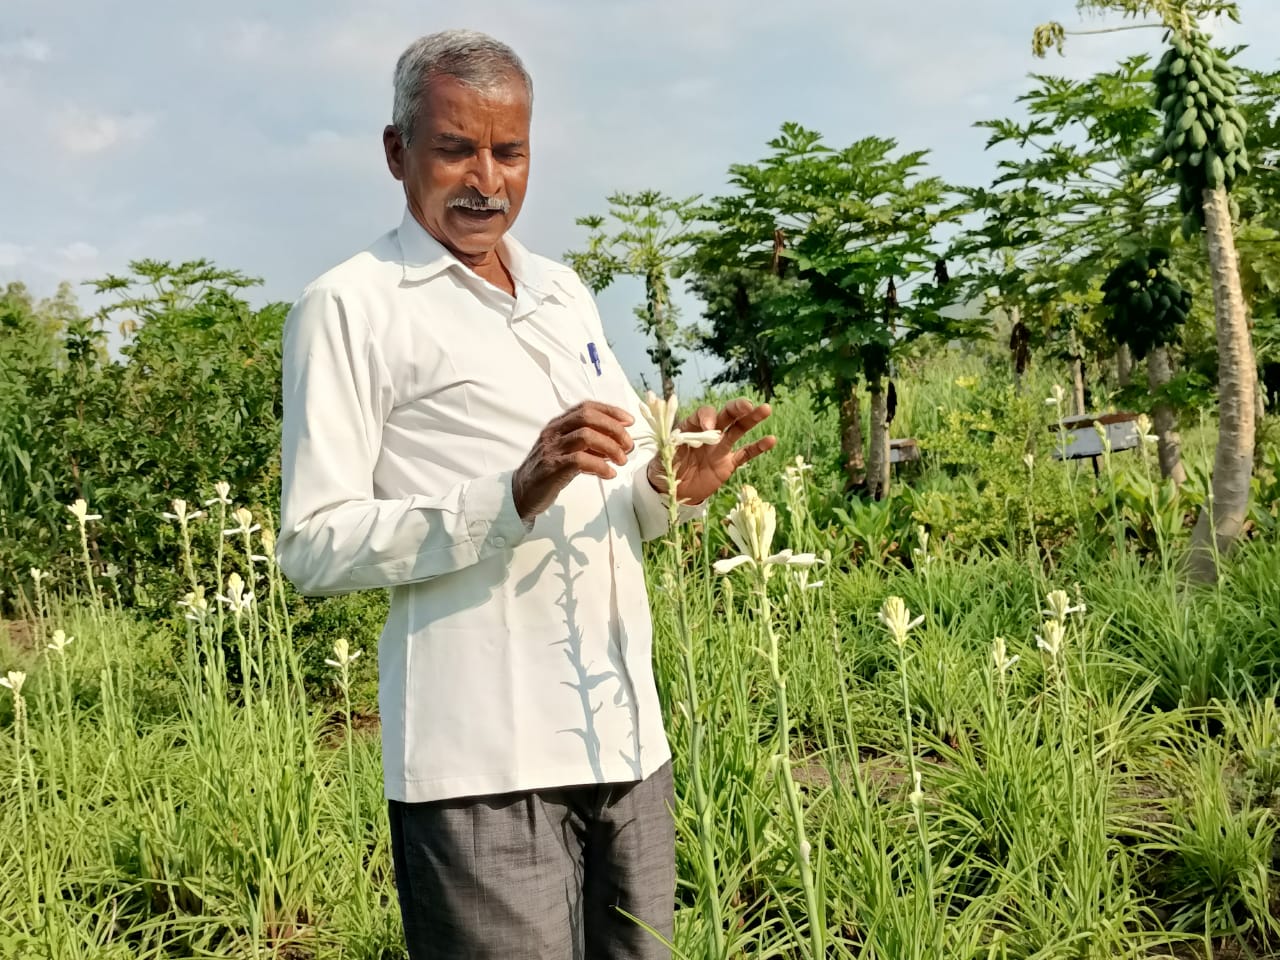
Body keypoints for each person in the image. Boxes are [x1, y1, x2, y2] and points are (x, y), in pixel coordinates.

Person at [276, 28, 775, 960]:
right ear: (397, 153)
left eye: (510, 151)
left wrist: (675, 485)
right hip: (482, 766)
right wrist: (512, 491)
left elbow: (625, 492)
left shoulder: (561, 291)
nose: (487, 180)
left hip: (624, 739)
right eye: (455, 148)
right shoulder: (351, 306)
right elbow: (312, 543)